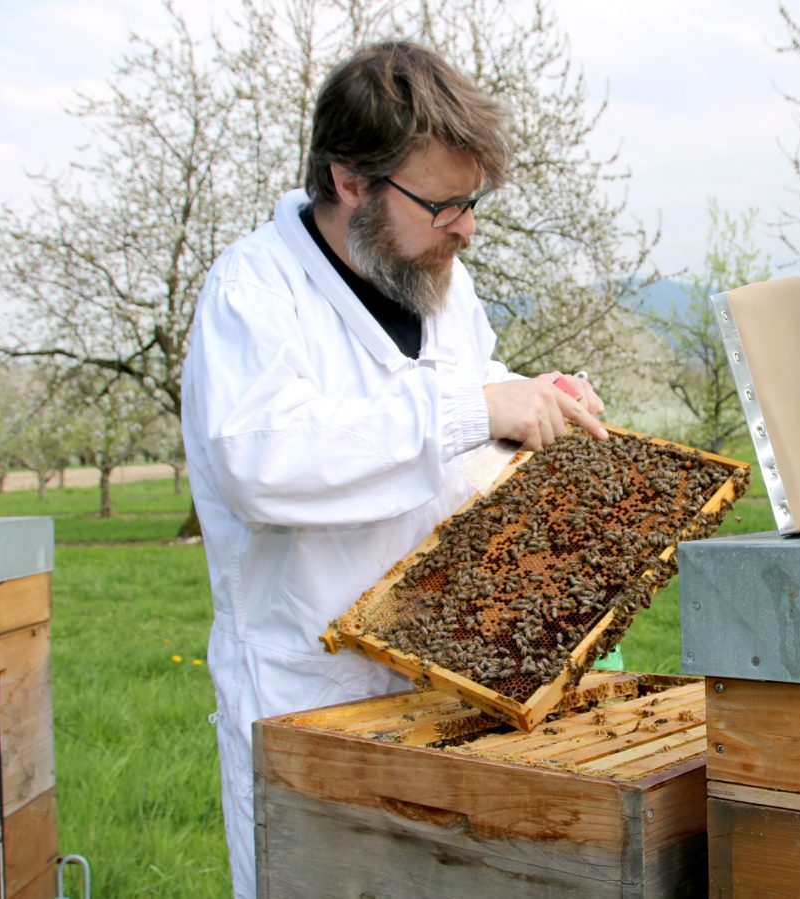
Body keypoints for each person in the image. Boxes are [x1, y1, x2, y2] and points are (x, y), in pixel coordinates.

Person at [179, 40, 606, 898]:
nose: (467, 227)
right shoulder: (253, 293)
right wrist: (475, 409)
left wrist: (536, 405)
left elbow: (464, 421)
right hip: (308, 697)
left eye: (473, 202)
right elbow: (259, 464)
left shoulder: (443, 281)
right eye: (444, 204)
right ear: (350, 181)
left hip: (449, 684)